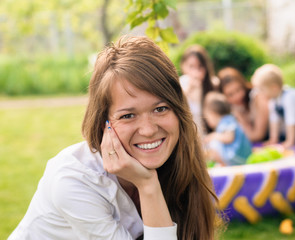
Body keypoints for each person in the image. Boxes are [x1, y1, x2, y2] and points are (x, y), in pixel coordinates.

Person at [8, 36, 218, 240]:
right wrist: (148, 185)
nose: (148, 130)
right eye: (128, 115)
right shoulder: (74, 181)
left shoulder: (178, 159)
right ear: (103, 124)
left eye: (161, 108)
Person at [251, 64, 295, 148]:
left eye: (262, 89)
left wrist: (289, 142)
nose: (260, 93)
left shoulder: (289, 98)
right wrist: (273, 139)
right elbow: (274, 119)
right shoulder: (273, 100)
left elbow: (291, 121)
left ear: (274, 87)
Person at [218, 67, 269, 143]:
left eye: (238, 90)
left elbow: (257, 136)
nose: (237, 97)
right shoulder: (232, 108)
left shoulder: (257, 97)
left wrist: (240, 119)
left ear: (243, 85)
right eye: (230, 94)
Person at [203, 92, 252, 166]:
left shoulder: (226, 120)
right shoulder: (229, 119)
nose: (207, 121)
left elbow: (229, 138)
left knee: (214, 144)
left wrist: (212, 136)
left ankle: (224, 165)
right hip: (241, 156)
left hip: (237, 156)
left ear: (213, 113)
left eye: (207, 117)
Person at [179, 45, 217, 135]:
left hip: (208, 135)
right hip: (188, 135)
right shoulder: (181, 83)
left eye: (200, 66)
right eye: (191, 66)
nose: (196, 71)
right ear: (183, 66)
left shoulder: (213, 83)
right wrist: (190, 88)